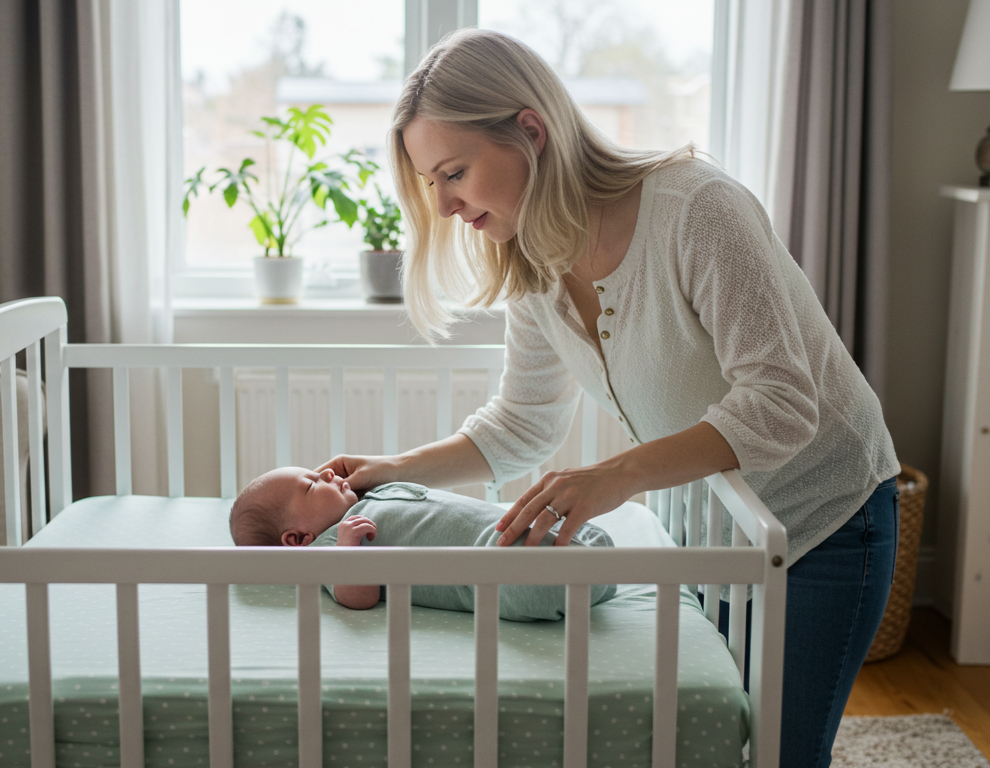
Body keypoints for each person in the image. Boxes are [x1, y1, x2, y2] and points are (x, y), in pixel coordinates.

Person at [316, 28, 900, 768]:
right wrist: (393, 470)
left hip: (823, 518)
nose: (445, 204)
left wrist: (613, 478)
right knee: (710, 740)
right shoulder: (530, 254)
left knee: (784, 753)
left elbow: (783, 402)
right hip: (719, 530)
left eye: (454, 171)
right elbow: (522, 423)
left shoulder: (697, 210)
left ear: (530, 130)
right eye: (431, 182)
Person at [228, 466, 617, 620]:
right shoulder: (329, 550)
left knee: (583, 542)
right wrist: (348, 551)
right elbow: (356, 597)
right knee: (535, 578)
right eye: (312, 483)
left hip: (510, 533)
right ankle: (583, 576)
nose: (327, 471)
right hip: (496, 576)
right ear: (298, 539)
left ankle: (594, 564)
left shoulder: (366, 502)